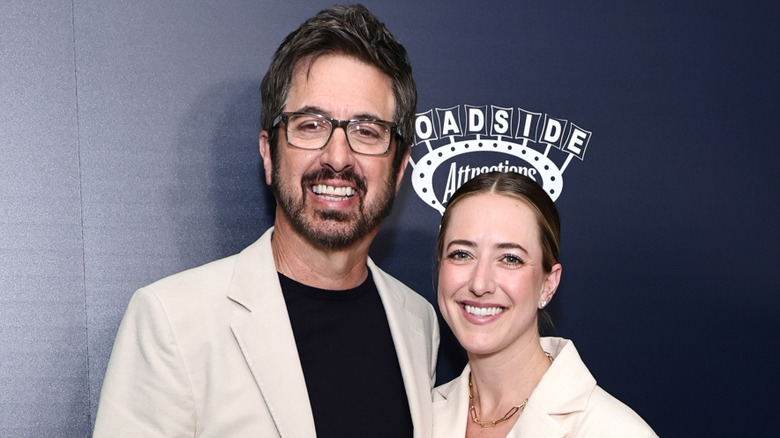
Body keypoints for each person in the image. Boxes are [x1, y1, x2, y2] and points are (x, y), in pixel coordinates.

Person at [93, 4, 439, 437]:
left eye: (367, 131)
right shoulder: (173, 323)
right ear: (269, 154)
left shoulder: (418, 322)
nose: (337, 157)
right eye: (310, 125)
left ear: (401, 167)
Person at [432, 171, 656, 437]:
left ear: (548, 284)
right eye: (461, 254)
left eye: (510, 259)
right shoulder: (421, 415)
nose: (480, 284)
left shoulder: (614, 431)